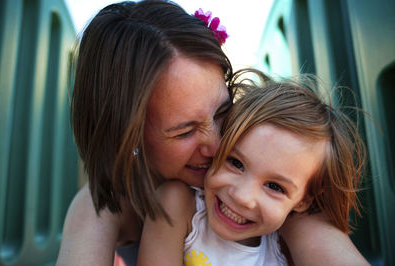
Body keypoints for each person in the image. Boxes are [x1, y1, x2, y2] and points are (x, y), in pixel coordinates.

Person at [56, 1, 369, 265]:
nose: (221, 143)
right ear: (128, 136)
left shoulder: (267, 173)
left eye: (222, 111)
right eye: (185, 132)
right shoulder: (104, 203)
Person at [137, 70, 367, 265]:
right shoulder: (178, 204)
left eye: (275, 187)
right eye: (236, 163)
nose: (243, 196)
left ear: (303, 200)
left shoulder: (284, 248)